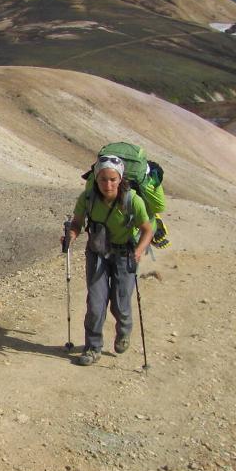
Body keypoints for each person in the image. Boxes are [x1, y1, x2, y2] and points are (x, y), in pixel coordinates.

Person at [63, 155, 154, 366]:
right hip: (96, 253)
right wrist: (71, 235)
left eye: (113, 179)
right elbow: (77, 223)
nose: (108, 184)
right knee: (96, 304)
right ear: (96, 179)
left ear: (120, 179)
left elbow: (147, 230)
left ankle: (123, 330)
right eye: (103, 179)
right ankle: (93, 348)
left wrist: (139, 250)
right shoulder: (87, 198)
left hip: (125, 255)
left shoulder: (133, 200)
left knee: (121, 304)